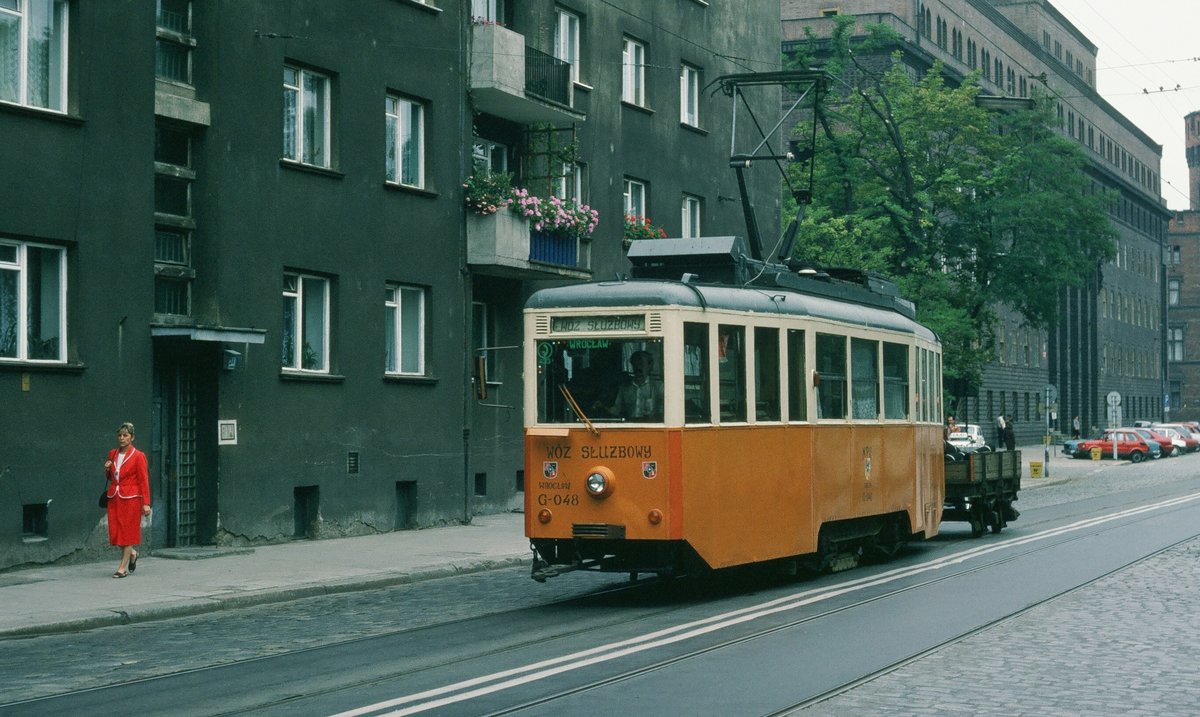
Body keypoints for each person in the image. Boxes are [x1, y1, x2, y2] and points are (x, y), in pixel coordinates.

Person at [104, 421, 150, 578]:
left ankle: (122, 569)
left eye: (125, 435)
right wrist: (107, 469)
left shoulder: (139, 456)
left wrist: (146, 503)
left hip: (131, 498)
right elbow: (111, 477)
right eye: (120, 435)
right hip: (114, 497)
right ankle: (133, 553)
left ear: (132, 437)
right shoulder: (113, 453)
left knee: (128, 532)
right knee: (116, 532)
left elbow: (144, 480)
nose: (122, 438)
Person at [609, 350, 664, 420]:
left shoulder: (659, 386)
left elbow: (664, 411)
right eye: (635, 364)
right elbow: (616, 410)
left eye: (641, 364)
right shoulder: (624, 388)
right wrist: (603, 408)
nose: (638, 368)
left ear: (649, 366)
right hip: (631, 427)